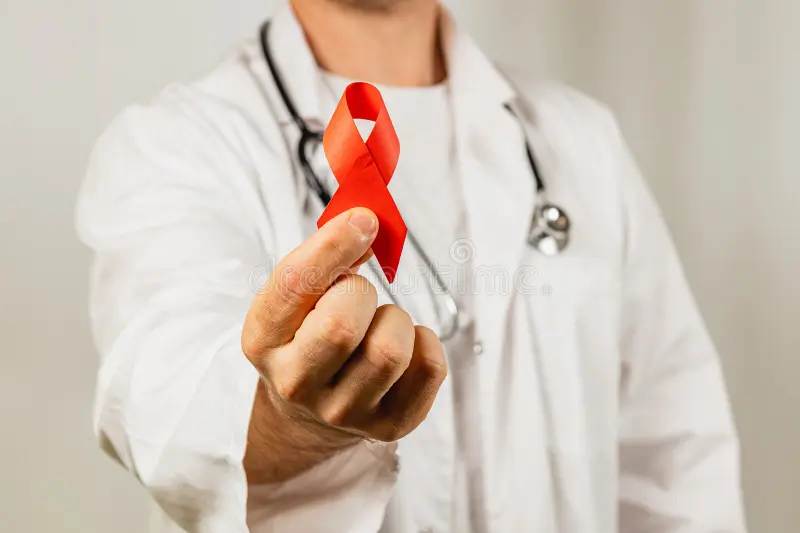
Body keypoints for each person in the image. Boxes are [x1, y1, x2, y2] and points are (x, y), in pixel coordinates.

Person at [75, 0, 747, 532]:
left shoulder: (582, 142)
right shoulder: (176, 145)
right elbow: (165, 400)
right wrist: (296, 421)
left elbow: (679, 470)